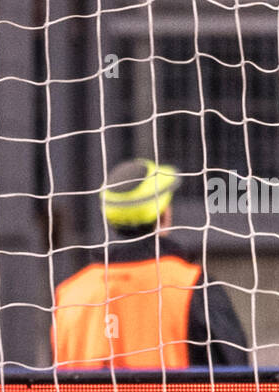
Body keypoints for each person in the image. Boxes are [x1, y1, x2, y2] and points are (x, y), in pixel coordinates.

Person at [53, 158, 249, 369]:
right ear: (164, 215)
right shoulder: (191, 286)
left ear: (111, 221)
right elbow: (233, 376)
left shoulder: (70, 294)